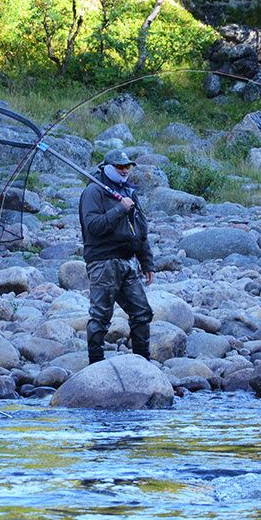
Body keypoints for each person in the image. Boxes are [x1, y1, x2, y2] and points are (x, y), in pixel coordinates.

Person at [78, 149, 155, 364]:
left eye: (127, 166)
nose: (124, 170)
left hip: (126, 262)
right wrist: (120, 209)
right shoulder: (94, 192)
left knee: (142, 313)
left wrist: (146, 262)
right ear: (107, 167)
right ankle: (95, 365)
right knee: (101, 318)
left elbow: (140, 230)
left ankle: (143, 364)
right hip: (102, 262)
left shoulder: (128, 192)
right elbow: (93, 226)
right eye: (119, 166)